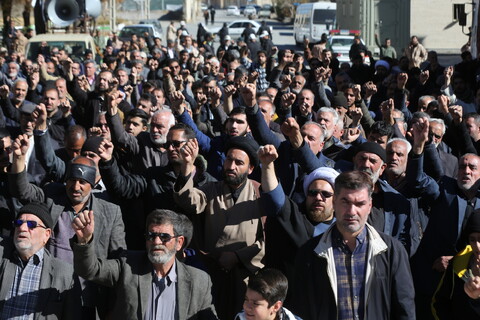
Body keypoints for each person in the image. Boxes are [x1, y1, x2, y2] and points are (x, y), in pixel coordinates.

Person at [291, 170, 416, 319]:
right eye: (345, 202)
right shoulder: (310, 253)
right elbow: (299, 310)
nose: (351, 211)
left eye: (359, 204)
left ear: (369, 206)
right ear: (335, 202)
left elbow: (405, 307)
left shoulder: (392, 251)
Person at [174, 135, 265, 320]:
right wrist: (186, 167)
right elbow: (189, 201)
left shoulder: (259, 193)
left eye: (239, 162)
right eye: (228, 160)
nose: (231, 166)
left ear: (251, 168)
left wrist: (237, 256)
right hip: (211, 271)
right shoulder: (211, 189)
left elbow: (265, 240)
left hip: (244, 275)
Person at [72, 208, 218, 319]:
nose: (156, 242)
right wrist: (84, 241)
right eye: (151, 236)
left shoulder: (199, 281)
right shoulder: (128, 265)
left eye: (164, 237)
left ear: (179, 243)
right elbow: (90, 270)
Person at [0, 202, 81, 319]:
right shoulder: (3, 255)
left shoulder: (65, 274)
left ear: (46, 234)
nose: (22, 228)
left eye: (31, 224)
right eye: (19, 223)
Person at [432, 211, 480, 319]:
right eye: (472, 240)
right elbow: (439, 302)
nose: (477, 246)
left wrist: (476, 298)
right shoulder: (458, 263)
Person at [234, 269, 300, 320]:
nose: (246, 307)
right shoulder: (240, 317)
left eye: (255, 303)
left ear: (276, 306)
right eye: (246, 299)